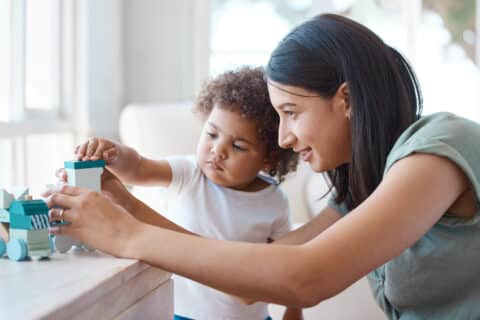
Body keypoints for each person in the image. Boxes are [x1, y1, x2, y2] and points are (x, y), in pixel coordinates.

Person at [46, 13, 480, 320]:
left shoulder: (439, 149)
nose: (283, 138)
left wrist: (127, 234)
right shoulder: (364, 193)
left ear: (345, 99)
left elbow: (306, 279)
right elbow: (251, 277)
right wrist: (124, 206)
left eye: (291, 111)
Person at [64, 67, 301, 320]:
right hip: (183, 314)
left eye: (238, 146)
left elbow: (286, 266)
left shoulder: (274, 202)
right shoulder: (190, 172)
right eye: (211, 134)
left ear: (269, 158)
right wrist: (114, 154)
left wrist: (293, 310)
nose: (217, 151)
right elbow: (138, 168)